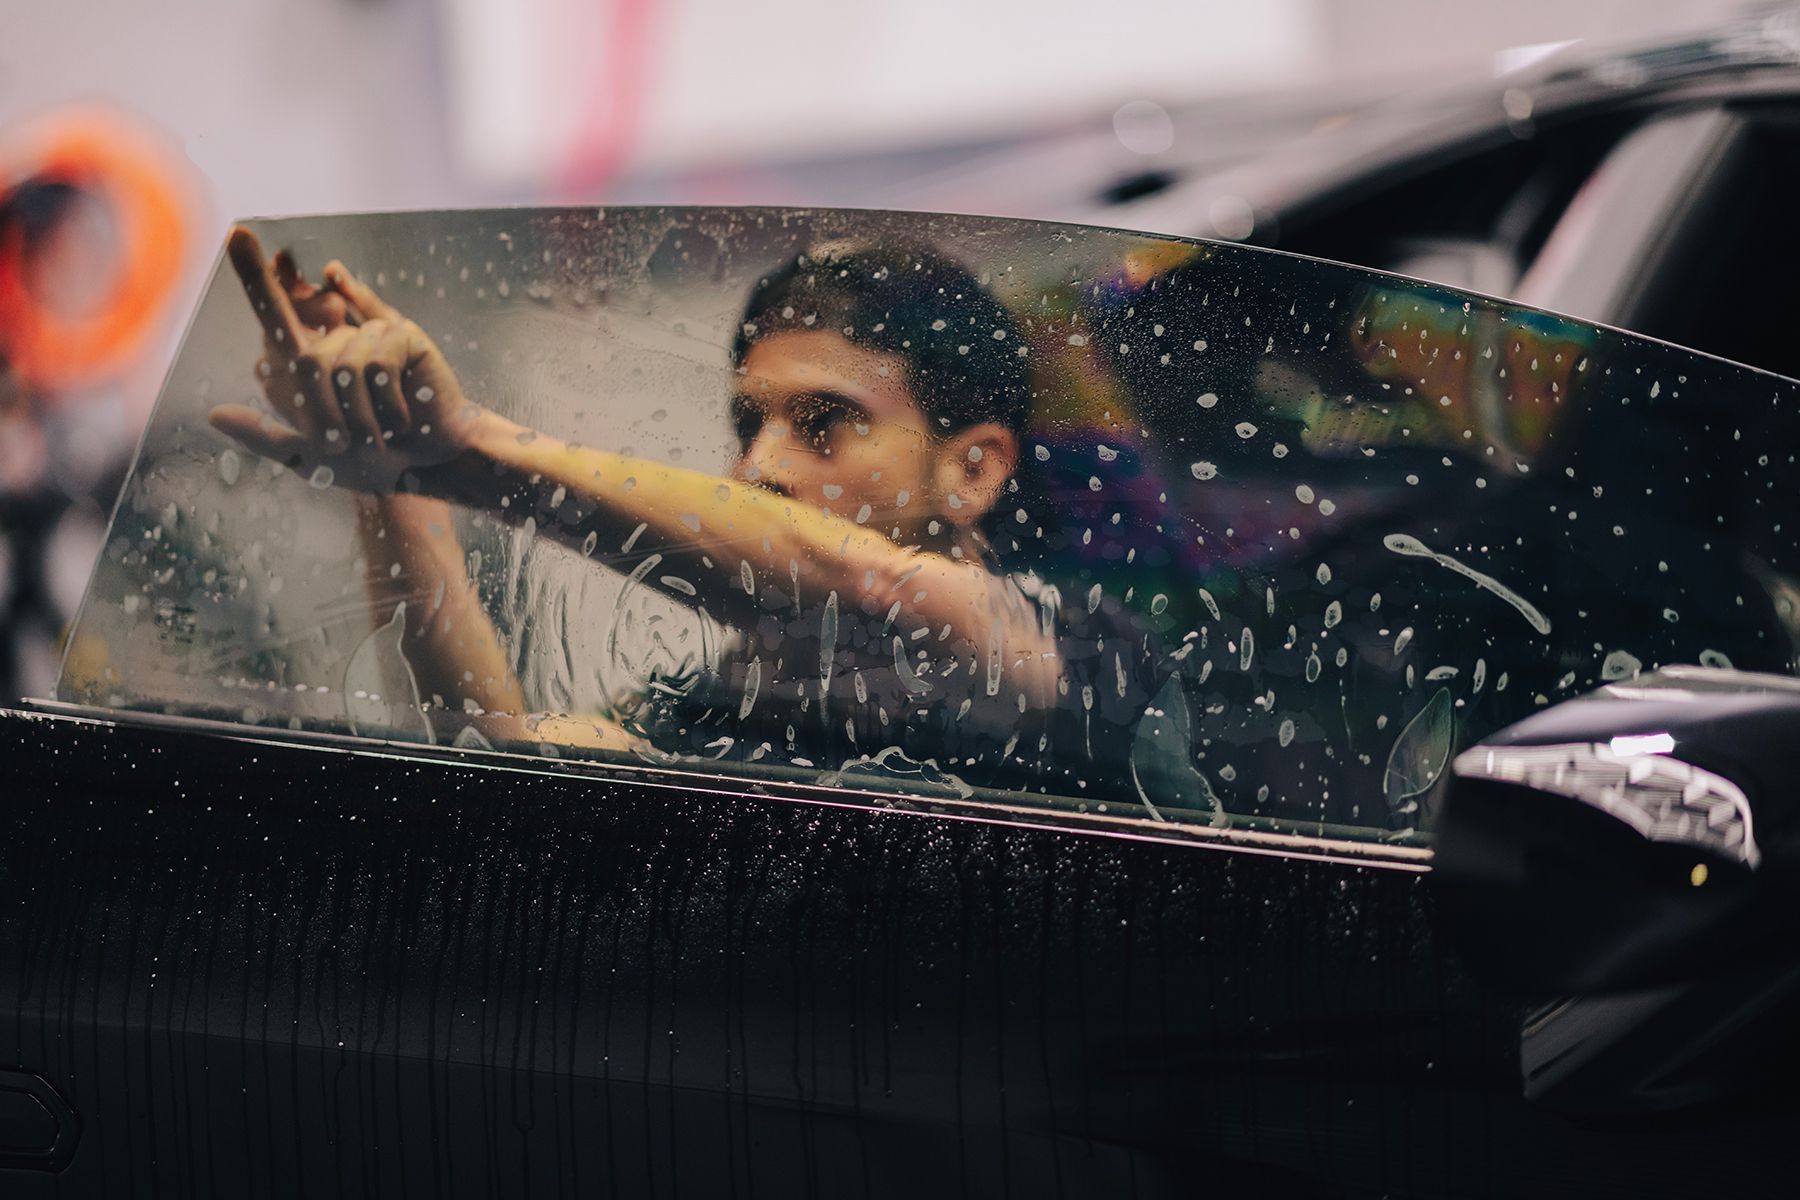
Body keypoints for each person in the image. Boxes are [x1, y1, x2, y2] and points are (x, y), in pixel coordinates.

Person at [211, 226, 1160, 793]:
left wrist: (474, 452)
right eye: (750, 420)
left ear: (974, 470)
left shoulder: (1079, 657)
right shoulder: (702, 714)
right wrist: (398, 480)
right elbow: (498, 767)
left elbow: (867, 583)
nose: (759, 464)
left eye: (825, 423)